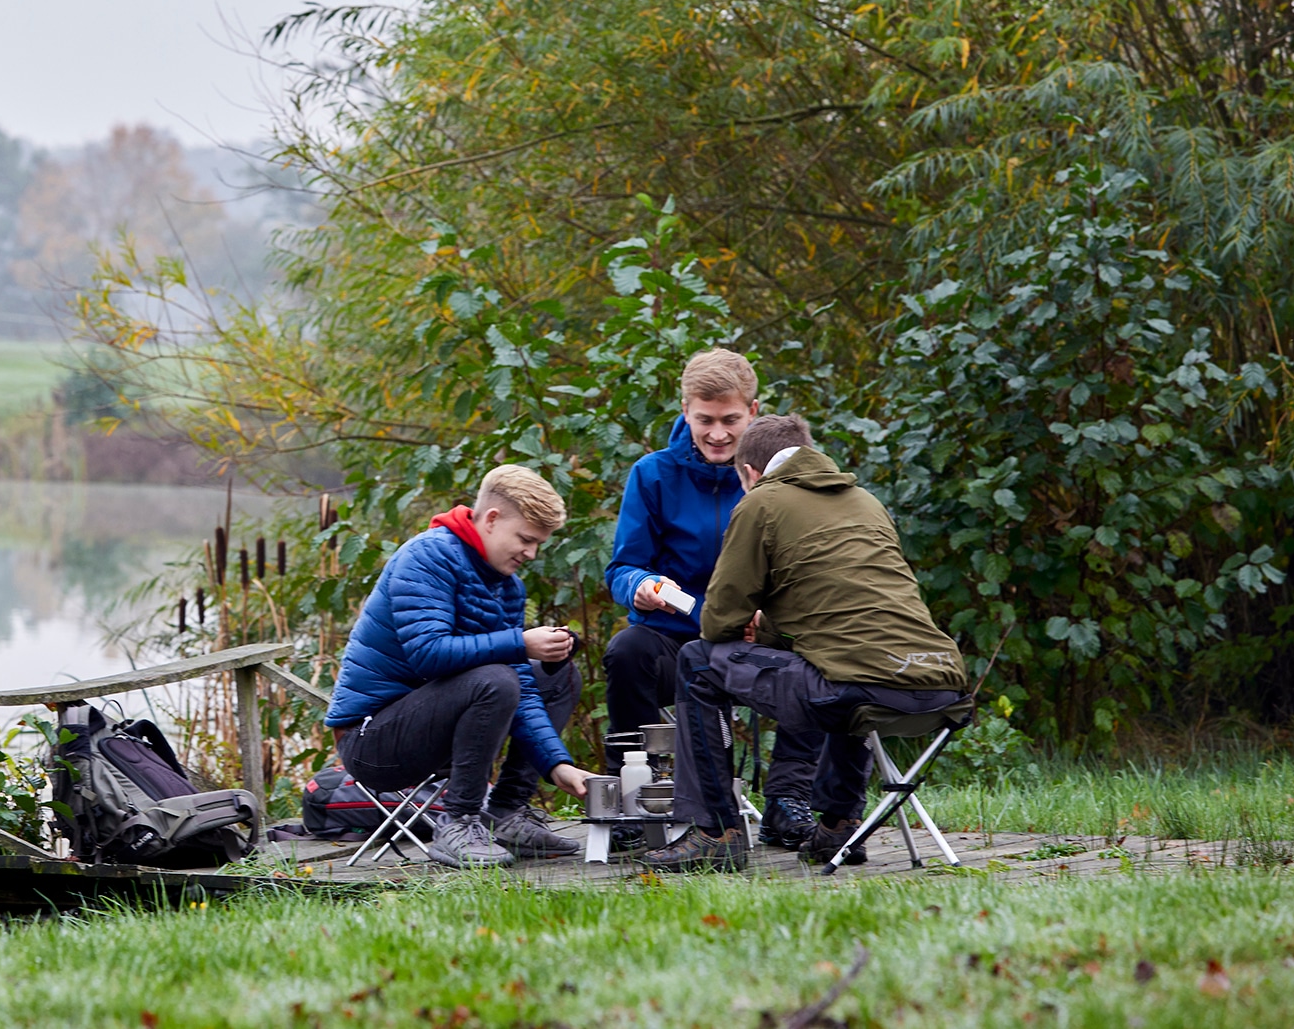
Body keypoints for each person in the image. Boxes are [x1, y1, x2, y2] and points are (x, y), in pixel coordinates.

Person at [637, 413, 970, 872]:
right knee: (842, 662)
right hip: (941, 686)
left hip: (858, 685)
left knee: (698, 662)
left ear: (750, 473)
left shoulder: (762, 502)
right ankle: (838, 827)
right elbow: (842, 610)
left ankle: (716, 833)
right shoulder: (866, 502)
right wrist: (770, 632)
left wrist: (748, 625)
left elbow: (717, 623)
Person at [602, 348, 823, 848]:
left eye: (730, 419)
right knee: (626, 652)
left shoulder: (784, 478)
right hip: (676, 639)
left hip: (757, 640)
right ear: (685, 412)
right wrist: (639, 586)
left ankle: (789, 800)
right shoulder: (652, 475)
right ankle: (632, 797)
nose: (718, 434)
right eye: (705, 420)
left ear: (753, 409)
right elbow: (621, 567)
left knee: (819, 652)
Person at [326, 464, 594, 867]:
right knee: (496, 679)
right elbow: (428, 653)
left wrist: (556, 763)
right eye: (525, 539)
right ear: (491, 519)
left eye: (539, 543)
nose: (531, 554)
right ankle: (459, 822)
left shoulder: (506, 585)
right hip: (372, 743)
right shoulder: (426, 557)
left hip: (438, 729)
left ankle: (506, 813)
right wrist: (520, 643)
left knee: (558, 675)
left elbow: (520, 679)